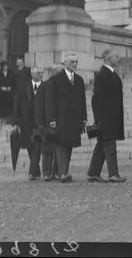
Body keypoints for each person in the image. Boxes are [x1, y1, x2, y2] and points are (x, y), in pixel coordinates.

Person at [45, 53, 87, 183]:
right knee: (61, 145)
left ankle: (62, 172)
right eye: (72, 62)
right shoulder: (56, 79)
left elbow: (82, 100)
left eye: (76, 62)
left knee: (69, 145)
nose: (75, 64)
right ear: (66, 63)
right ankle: (62, 173)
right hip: (60, 118)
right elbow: (50, 101)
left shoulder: (79, 80)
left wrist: (83, 118)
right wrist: (51, 119)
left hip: (74, 119)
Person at [87, 49, 127, 183]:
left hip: (112, 117)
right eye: (116, 55)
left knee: (101, 147)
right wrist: (98, 119)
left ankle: (93, 173)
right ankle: (113, 174)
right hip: (106, 118)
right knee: (110, 147)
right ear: (109, 58)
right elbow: (96, 99)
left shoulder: (111, 73)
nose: (118, 58)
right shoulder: (103, 74)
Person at [12, 65, 47, 181]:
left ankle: (32, 172)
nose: (41, 75)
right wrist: (15, 123)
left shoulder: (46, 87)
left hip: (40, 122)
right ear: (32, 74)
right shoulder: (23, 87)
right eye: (39, 73)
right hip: (26, 121)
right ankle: (36, 170)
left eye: (42, 73)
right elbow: (17, 106)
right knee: (29, 146)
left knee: (37, 146)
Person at [0, 61, 17, 129]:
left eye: (7, 65)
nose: (6, 67)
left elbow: (14, 84)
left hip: (8, 96)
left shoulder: (11, 73)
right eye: (4, 66)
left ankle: (4, 126)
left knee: (6, 113)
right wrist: (1, 88)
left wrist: (11, 88)